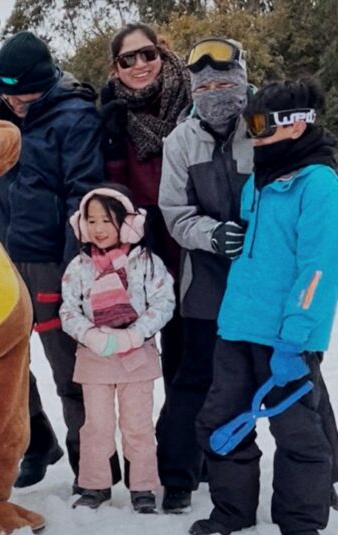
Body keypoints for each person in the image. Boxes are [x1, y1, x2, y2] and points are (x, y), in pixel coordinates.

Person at [0, 0, 105, 489]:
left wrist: (78, 269)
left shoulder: (75, 119)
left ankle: (88, 460)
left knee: (66, 367)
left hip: (48, 260)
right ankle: (37, 442)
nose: (14, 106)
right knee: (3, 367)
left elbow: (83, 194)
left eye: (25, 97)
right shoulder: (1, 102)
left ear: (46, 83)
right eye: (8, 97)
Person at [189, 79, 338, 535]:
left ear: (295, 126)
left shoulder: (319, 183)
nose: (252, 135)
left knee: (298, 433)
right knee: (220, 421)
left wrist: (296, 337)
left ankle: (300, 522)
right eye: (248, 124)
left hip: (285, 337)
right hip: (237, 328)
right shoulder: (261, 176)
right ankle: (232, 512)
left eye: (259, 124)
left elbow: (318, 269)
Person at [156, 37, 253, 514]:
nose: (214, 92)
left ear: (242, 81)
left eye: (223, 82)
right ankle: (178, 476)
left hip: (261, 278)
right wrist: (210, 234)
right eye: (204, 84)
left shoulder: (264, 127)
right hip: (206, 281)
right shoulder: (179, 141)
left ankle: (322, 475)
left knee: (288, 376)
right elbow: (174, 211)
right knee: (195, 378)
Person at [60, 185, 174, 513]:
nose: (98, 229)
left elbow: (164, 302)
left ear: (127, 223)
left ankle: (143, 486)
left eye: (106, 220)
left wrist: (135, 335)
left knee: (137, 425)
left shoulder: (147, 263)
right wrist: (91, 334)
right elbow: (69, 310)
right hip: (95, 357)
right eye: (91, 220)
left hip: (136, 358)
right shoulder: (79, 267)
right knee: (96, 425)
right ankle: (95, 484)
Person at [99, 23, 188, 391]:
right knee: (172, 348)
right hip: (151, 244)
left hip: (197, 237)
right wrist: (112, 145)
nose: (140, 65)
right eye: (127, 59)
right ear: (115, 68)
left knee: (208, 351)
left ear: (161, 53)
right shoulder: (113, 113)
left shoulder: (192, 96)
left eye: (147, 54)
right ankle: (175, 441)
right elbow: (114, 190)